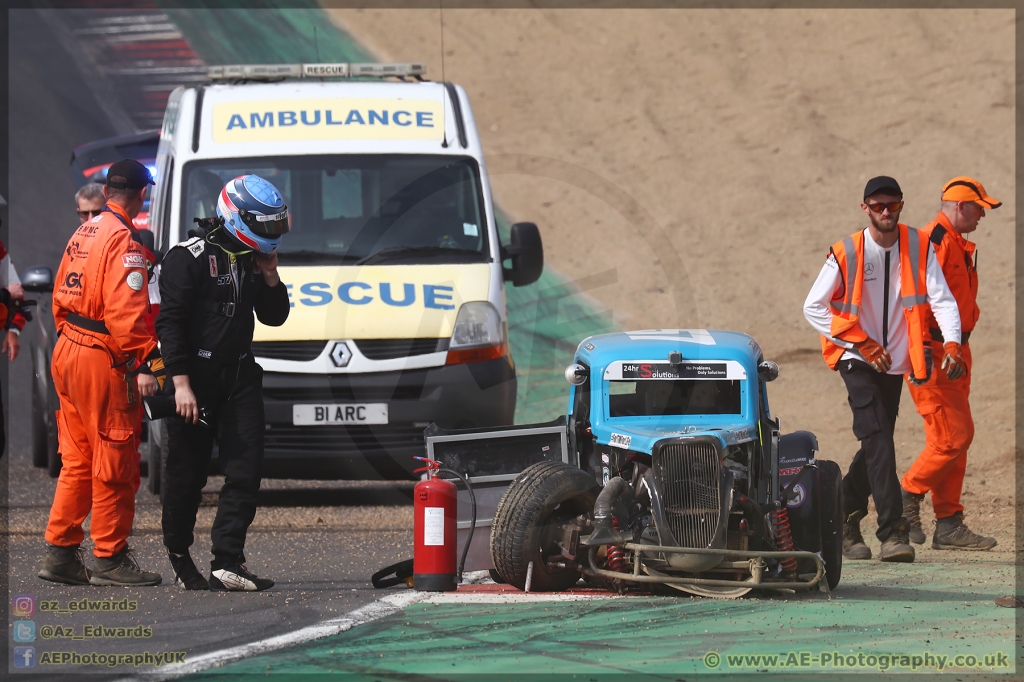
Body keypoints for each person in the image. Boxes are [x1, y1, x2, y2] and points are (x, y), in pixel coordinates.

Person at [803, 176, 964, 563]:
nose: (886, 212)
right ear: (865, 209)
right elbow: (812, 307)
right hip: (856, 358)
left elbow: (941, 298)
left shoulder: (918, 245)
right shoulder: (847, 251)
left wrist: (954, 343)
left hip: (895, 361)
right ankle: (893, 531)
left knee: (877, 442)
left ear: (902, 204)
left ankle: (842, 513)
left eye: (892, 205)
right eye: (878, 206)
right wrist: (858, 341)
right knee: (878, 438)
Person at [157, 174, 290, 591]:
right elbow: (170, 325)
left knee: (246, 471)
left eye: (277, 227)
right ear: (237, 217)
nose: (272, 236)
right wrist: (180, 385)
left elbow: (275, 316)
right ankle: (179, 555)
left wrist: (270, 275)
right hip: (193, 382)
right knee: (187, 477)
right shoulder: (187, 257)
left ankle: (227, 561)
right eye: (266, 227)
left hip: (240, 377)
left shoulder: (253, 259)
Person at [39, 159, 164, 586]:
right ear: (142, 194)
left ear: (109, 190)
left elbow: (59, 294)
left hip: (68, 349)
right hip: (100, 357)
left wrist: (71, 341)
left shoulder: (85, 230)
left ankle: (60, 551)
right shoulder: (124, 241)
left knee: (76, 459)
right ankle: (109, 556)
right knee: (116, 456)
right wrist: (148, 360)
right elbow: (126, 316)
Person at [900, 177, 999, 551]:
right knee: (954, 436)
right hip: (934, 352)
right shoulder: (932, 242)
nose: (982, 215)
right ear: (960, 206)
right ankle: (908, 493)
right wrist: (921, 347)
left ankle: (949, 523)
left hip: (956, 352)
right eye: (979, 208)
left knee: (953, 439)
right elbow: (913, 299)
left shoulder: (955, 243)